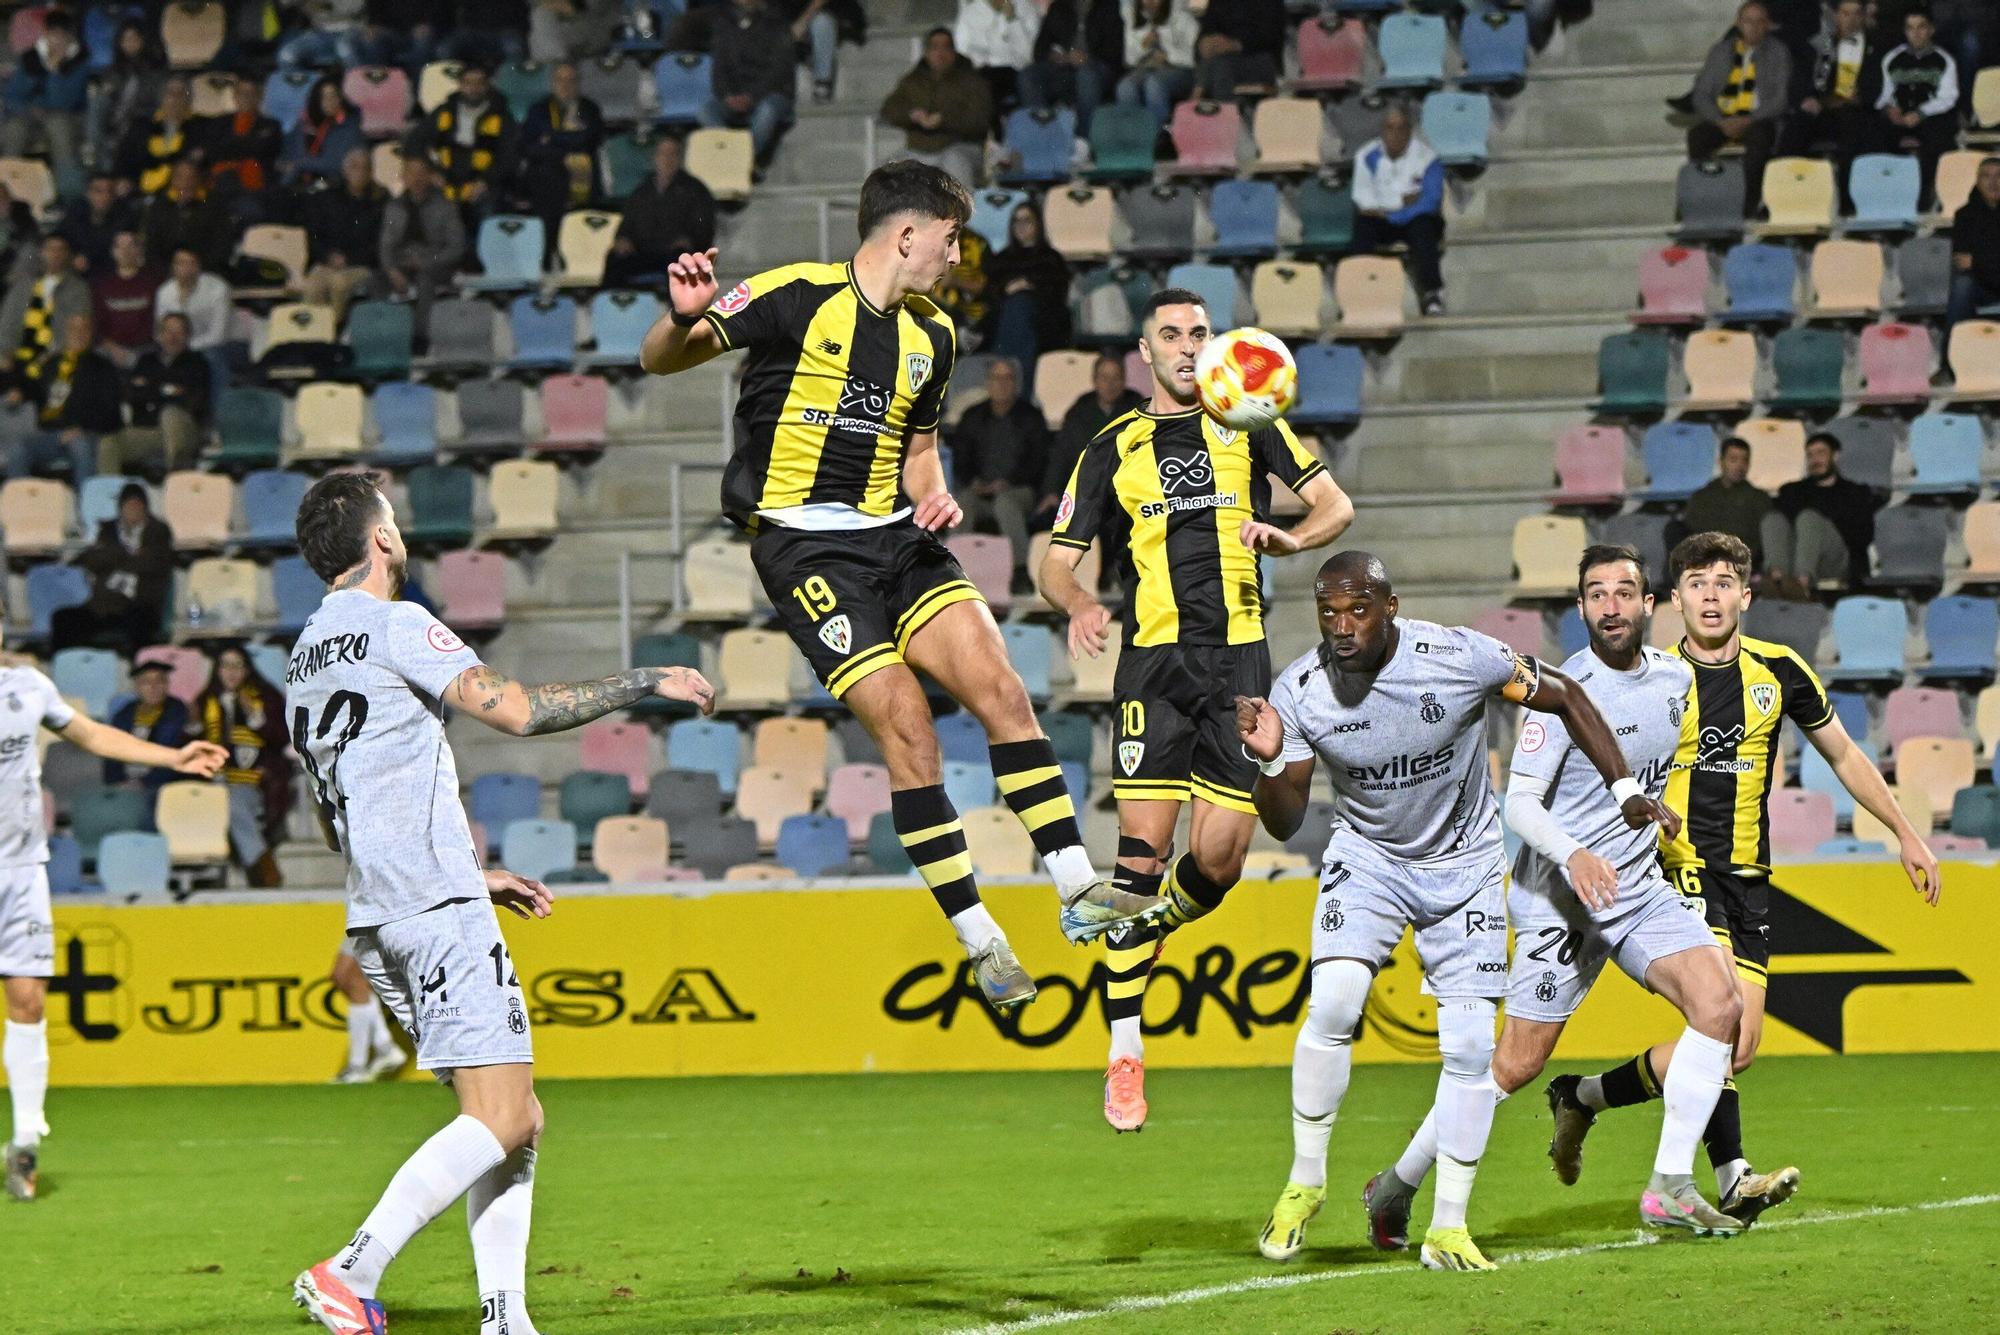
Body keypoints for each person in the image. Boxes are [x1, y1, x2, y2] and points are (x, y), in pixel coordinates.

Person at [640, 160, 1164, 1012]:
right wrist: (679, 318)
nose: (958, 258)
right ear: (908, 234)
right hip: (806, 552)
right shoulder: (795, 296)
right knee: (910, 727)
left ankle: (1077, 889)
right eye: (952, 239)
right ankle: (982, 939)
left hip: (897, 536)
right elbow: (663, 358)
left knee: (1002, 687)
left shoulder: (936, 337)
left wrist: (936, 490)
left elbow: (920, 451)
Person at [286, 470, 716, 1334]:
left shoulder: (302, 656)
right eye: (396, 521)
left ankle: (505, 1315)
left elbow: (338, 813)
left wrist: (465, 869)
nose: (401, 533)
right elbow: (516, 710)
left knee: (512, 1118)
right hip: (433, 908)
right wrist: (645, 681)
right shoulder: (395, 622)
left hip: (381, 908)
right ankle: (350, 1268)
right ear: (380, 541)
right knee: (507, 1113)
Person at [1235, 550, 1668, 1271]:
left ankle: (1448, 1226)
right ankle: (1304, 1183)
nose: (1343, 626)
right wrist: (1273, 762)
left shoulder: (1459, 655)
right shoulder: (1301, 690)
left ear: (1390, 606)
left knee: (1471, 1050)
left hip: (1464, 865)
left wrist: (1622, 788)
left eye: (1358, 610)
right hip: (1370, 858)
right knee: (1336, 999)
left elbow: (1564, 695)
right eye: (1329, 613)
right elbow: (1281, 822)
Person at [1552, 531, 1939, 1226]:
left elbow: (1845, 755)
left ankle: (1583, 1096)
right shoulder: (1654, 679)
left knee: (1739, 1046)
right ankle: (1726, 1177)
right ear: (1673, 601)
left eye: (1723, 583)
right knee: (1718, 1019)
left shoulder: (1781, 670)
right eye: (1696, 584)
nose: (1710, 595)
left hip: (1751, 877)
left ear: (1746, 596)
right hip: (1679, 868)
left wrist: (1905, 831)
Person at [1365, 545, 1746, 1247]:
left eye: (1624, 593)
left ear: (1648, 604)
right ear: (1580, 609)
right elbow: (1522, 805)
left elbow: (1655, 770)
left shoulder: (1672, 679)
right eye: (1596, 594)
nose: (1610, 606)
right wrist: (1576, 854)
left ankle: (1670, 1185)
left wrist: (1662, 819)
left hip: (1637, 890)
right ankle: (1398, 1182)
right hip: (1560, 899)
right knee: (1514, 1065)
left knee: (1721, 1004)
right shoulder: (1558, 692)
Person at [1041, 290, 1353, 1132]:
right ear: (1146, 352)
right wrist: (1075, 601)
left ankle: (1147, 927)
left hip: (1241, 664)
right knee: (1140, 861)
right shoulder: (1112, 448)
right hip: (1153, 669)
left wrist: (1294, 539)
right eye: (1171, 335)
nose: (1187, 346)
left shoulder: (1250, 424)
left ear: (1217, 347)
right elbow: (1054, 561)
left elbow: (1337, 506)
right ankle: (1125, 1052)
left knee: (1217, 864)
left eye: (1198, 332)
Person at [1, 636, 225, 1201]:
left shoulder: (28, 687)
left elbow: (91, 733)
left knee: (27, 999)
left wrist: (172, 756)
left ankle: (25, 1140)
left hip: (21, 870)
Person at [189, 645, 294, 888]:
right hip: (210, 781)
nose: (232, 672)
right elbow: (189, 747)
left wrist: (256, 718)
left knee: (232, 803)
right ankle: (262, 871)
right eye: (226, 665)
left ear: (247, 670)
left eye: (238, 665)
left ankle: (265, 873)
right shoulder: (204, 701)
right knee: (219, 801)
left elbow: (282, 740)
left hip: (258, 782)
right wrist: (193, 727)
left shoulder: (267, 697)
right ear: (217, 670)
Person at [950, 358, 1047, 586]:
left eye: (1008, 378)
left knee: (1005, 503)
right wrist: (973, 482)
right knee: (962, 503)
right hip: (979, 491)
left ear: (1016, 383)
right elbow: (961, 459)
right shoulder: (972, 416)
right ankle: (952, 570)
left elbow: (1038, 462)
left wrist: (1008, 482)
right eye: (996, 378)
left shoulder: (1031, 417)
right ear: (988, 383)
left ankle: (1021, 571)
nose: (1002, 384)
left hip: (1019, 491)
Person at [1688, 2, 1790, 218]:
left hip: (1758, 118)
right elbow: (1701, 94)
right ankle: (1704, 199)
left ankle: (1748, 203)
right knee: (1697, 136)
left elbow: (1780, 99)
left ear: (1768, 25)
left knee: (1760, 139)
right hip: (1723, 118)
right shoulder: (1720, 51)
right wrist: (1720, 120)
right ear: (1738, 23)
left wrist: (1749, 120)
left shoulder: (1779, 52)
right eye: (1747, 21)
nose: (1753, 27)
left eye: (1759, 21)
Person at [52, 482, 174, 656]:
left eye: (137, 506)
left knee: (140, 622)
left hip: (139, 604)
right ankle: (70, 669)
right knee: (63, 619)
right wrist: (129, 555)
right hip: (103, 605)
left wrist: (114, 556)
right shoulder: (108, 530)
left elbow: (153, 564)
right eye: (128, 506)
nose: (133, 510)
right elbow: (90, 560)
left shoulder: (159, 532)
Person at [1351, 105, 1447, 316]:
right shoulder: (1366, 155)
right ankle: (1359, 293)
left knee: (1423, 224)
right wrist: (1402, 199)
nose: (1394, 134)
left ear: (1410, 131)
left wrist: (1393, 211)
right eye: (1389, 128)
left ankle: (1432, 293)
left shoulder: (1427, 158)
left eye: (1400, 128)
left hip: (1413, 219)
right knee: (1362, 225)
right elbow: (1363, 198)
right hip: (1382, 220)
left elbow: (1430, 201)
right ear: (1382, 131)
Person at [1764, 431, 1882, 596]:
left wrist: (1824, 523)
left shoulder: (1855, 492)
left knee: (1809, 518)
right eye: (1810, 455)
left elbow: (1863, 537)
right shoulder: (1793, 491)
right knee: (1773, 519)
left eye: (1821, 453)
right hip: (1797, 558)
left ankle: (1801, 584)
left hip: (1837, 560)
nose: (1815, 460)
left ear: (1835, 456)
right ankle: (1777, 580)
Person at [5, 311, 116, 481]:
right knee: (17, 448)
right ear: (65, 332)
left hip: (86, 434)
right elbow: (30, 387)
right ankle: (21, 505)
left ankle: (84, 505)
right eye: (73, 329)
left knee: (80, 446)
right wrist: (19, 392)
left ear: (91, 333)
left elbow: (110, 412)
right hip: (51, 435)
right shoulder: (50, 363)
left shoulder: (103, 367)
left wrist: (81, 428)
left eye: (84, 329)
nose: (78, 334)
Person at [1038, 350, 1141, 533]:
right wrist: (1051, 491)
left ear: (1124, 381)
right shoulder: (1079, 412)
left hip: (1126, 490)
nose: (1110, 384)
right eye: (1104, 377)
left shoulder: (1138, 409)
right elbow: (1061, 454)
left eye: (1116, 378)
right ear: (1094, 380)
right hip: (1086, 489)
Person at [880, 27, 993, 191]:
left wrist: (944, 120)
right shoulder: (912, 80)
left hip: (960, 147)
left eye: (946, 47)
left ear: (954, 52)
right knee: (888, 169)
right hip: (919, 148)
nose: (940, 53)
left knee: (954, 161)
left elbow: (980, 119)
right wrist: (912, 116)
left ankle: (962, 214)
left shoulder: (972, 80)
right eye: (934, 47)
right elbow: (889, 109)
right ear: (926, 53)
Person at [100, 312, 210, 477]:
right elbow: (131, 394)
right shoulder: (146, 361)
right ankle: (111, 496)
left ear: (187, 336)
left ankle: (175, 483)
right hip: (149, 431)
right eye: (168, 331)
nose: (172, 337)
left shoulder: (197, 363)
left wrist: (152, 389)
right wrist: (167, 390)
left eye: (179, 332)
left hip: (185, 429)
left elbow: (193, 401)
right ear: (160, 335)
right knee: (109, 442)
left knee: (170, 415)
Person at [1782, 0, 1881, 177]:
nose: (1851, 20)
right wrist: (1810, 100)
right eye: (1845, 13)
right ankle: (1786, 189)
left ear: (1864, 16)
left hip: (1858, 112)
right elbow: (1803, 83)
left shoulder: (1876, 46)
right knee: (1796, 126)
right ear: (1836, 15)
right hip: (1824, 109)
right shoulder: (1819, 46)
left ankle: (1846, 195)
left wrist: (1858, 98)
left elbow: (1875, 87)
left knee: (1854, 122)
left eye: (1857, 13)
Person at [1876, 8, 1960, 212]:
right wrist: (1889, 108)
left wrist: (1921, 113)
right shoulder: (1892, 58)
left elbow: (1948, 97)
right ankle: (1882, 202)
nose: (1916, 33)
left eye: (1921, 27)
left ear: (1931, 29)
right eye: (1910, 28)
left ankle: (1922, 203)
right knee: (1874, 136)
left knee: (1937, 141)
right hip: (1898, 116)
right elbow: (1884, 93)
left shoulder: (1944, 60)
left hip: (1930, 117)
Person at [0, 11, 89, 201]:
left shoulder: (80, 61)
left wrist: (55, 70)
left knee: (59, 130)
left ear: (69, 36)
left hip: (66, 115)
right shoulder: (30, 57)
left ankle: (68, 195)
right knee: (14, 130)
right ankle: (7, 190)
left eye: (61, 35)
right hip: (30, 113)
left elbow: (65, 102)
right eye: (52, 34)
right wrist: (29, 108)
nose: (56, 40)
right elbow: (13, 95)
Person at [607, 136, 716, 286]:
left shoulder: (695, 190)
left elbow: (703, 226)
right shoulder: (641, 191)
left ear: (680, 158)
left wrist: (689, 240)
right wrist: (623, 239)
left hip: (675, 253)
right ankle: (611, 307)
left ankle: (677, 308)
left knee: (680, 260)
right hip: (644, 252)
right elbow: (626, 225)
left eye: (673, 154)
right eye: (663, 154)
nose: (667, 159)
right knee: (614, 259)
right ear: (654, 158)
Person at [380, 154, 468, 336]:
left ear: (429, 176)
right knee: (374, 281)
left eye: (421, 173)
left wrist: (428, 262)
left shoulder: (446, 207)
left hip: (435, 264)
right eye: (411, 173)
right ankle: (384, 336)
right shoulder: (393, 208)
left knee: (425, 280)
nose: (416, 178)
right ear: (403, 177)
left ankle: (421, 336)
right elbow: (386, 245)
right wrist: (392, 270)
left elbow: (456, 248)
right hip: (402, 263)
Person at [982, 202, 1072, 379]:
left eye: (1027, 221)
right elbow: (989, 293)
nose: (1021, 226)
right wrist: (1008, 290)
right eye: (1016, 221)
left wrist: (1028, 286)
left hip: (1042, 322)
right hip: (1006, 320)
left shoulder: (1051, 258)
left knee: (1021, 305)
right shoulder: (1001, 259)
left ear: (1038, 224)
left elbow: (1057, 293)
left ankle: (1007, 375)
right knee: (1015, 308)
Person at [518, 62, 606, 237]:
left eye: (571, 80)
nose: (565, 85)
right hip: (546, 176)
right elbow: (529, 146)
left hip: (582, 173)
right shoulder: (539, 109)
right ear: (552, 82)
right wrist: (568, 141)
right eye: (561, 80)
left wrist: (552, 138)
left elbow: (590, 140)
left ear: (579, 83)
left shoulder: (589, 109)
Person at [301, 149, 389, 322]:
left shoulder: (380, 202)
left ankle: (333, 330)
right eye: (354, 167)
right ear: (345, 170)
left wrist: (348, 259)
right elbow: (314, 235)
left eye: (365, 168)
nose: (359, 172)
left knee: (339, 284)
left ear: (371, 172)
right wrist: (327, 256)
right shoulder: (327, 198)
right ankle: (314, 336)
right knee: (312, 286)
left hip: (361, 265)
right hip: (327, 261)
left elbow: (380, 244)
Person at [1019, 0, 1124, 143]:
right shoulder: (1059, 7)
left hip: (1099, 68)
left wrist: (1087, 59)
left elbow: (1115, 52)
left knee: (1086, 75)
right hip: (1064, 68)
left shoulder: (1109, 6)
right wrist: (1060, 56)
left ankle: (1084, 142)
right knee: (1028, 75)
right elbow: (1039, 50)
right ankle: (1045, 137)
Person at [425, 65, 518, 215]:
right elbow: (417, 141)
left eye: (479, 83)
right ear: (460, 85)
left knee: (490, 205)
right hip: (446, 175)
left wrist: (485, 181)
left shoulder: (502, 115)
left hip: (483, 179)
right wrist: (431, 172)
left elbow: (509, 156)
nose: (473, 88)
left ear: (487, 86)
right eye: (468, 83)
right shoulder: (444, 110)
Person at [2, 235, 90, 382]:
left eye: (60, 250)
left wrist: (50, 358)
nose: (55, 254)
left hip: (55, 359)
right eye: (50, 249)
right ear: (42, 252)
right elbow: (8, 321)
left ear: (67, 254)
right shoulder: (23, 286)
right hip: (17, 358)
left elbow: (78, 329)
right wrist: (4, 352)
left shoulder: (78, 289)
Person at [87, 20, 168, 177]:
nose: (129, 44)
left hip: (141, 120)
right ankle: (98, 161)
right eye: (125, 40)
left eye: (134, 39)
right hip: (115, 119)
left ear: (144, 40)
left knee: (134, 131)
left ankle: (113, 173)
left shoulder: (156, 70)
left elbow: (155, 100)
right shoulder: (114, 70)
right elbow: (109, 96)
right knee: (96, 103)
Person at [1679, 435, 1772, 571]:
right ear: (1721, 462)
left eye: (1744, 461)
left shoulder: (1759, 498)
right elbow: (1692, 532)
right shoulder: (1702, 497)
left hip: (1742, 562)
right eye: (1733, 460)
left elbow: (1761, 541)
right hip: (1705, 561)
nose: (1740, 466)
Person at [105, 659, 192, 792]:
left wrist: (143, 784)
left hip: (161, 784)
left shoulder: (176, 711)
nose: (153, 686)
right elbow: (111, 751)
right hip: (124, 782)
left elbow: (171, 755)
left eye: (160, 681)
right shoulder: (125, 713)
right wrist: (116, 783)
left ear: (167, 684)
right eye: (146, 682)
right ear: (137, 686)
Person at [199, 76, 285, 202]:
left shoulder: (271, 125)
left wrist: (232, 145)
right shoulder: (219, 122)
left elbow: (264, 150)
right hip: (222, 179)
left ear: (259, 97)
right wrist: (251, 142)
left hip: (258, 183)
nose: (246, 97)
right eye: (242, 93)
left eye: (251, 93)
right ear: (235, 96)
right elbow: (213, 151)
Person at [1116, 0, 1198, 129]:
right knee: (1125, 87)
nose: (1150, 2)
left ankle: (1158, 135)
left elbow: (1195, 57)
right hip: (1147, 69)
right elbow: (1129, 60)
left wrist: (1168, 56)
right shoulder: (1134, 17)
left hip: (1180, 71)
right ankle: (1134, 135)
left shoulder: (1182, 17)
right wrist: (1143, 46)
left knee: (1154, 83)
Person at [330, 945, 405, 1083]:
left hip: (374, 924)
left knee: (354, 980)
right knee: (341, 976)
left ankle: (357, 1066)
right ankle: (385, 1048)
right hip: (356, 924)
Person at [142, 159, 233, 273]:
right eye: (180, 177)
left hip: (205, 273)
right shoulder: (160, 207)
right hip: (166, 274)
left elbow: (221, 245)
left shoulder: (214, 205)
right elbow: (152, 247)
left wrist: (195, 269)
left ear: (198, 180)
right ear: (172, 181)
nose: (185, 183)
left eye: (191, 178)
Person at [279, 76, 365, 190]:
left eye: (333, 96)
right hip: (297, 185)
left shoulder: (351, 128)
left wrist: (300, 164)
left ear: (341, 98)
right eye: (324, 97)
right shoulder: (303, 126)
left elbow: (337, 164)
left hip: (333, 187)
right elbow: (286, 156)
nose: (329, 101)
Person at [89, 230, 160, 369]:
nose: (125, 251)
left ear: (139, 250)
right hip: (110, 349)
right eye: (120, 246)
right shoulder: (101, 285)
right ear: (113, 251)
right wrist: (112, 348)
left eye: (130, 246)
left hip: (146, 349)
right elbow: (96, 324)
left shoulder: (153, 282)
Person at [955, 0, 1039, 117]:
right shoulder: (971, 12)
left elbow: (1029, 55)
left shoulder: (1025, 7)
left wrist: (1012, 19)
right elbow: (962, 52)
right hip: (983, 71)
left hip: (1017, 71)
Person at [117, 77, 196, 198]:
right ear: (162, 97)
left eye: (180, 94)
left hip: (178, 193)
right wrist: (124, 180)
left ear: (188, 99)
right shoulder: (142, 126)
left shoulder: (197, 127)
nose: (174, 99)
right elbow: (125, 158)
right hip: (139, 190)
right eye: (170, 93)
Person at [1193, 0, 1284, 100]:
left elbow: (1271, 35)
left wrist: (1235, 44)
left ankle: (1223, 111)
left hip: (1259, 58)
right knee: (1213, 64)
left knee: (1220, 66)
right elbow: (1206, 30)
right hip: (1219, 61)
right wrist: (1203, 44)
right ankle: (1201, 105)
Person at [1948, 157, 2000, 331]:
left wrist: (1978, 261)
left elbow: (1971, 262)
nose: (1993, 182)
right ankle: (1951, 354)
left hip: (1984, 274)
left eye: (1999, 176)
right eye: (1986, 176)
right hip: (1982, 287)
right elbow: (1962, 262)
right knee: (1963, 285)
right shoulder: (1964, 216)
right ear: (1977, 182)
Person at [153, 248, 233, 353]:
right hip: (179, 346)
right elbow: (160, 330)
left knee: (209, 355)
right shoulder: (164, 292)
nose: (187, 268)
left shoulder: (218, 288)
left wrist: (184, 347)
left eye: (191, 263)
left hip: (225, 344)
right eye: (181, 263)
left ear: (198, 266)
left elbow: (218, 335)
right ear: (173, 267)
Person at [58, 176, 138, 280]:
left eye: (110, 191)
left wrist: (87, 256)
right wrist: (73, 257)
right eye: (98, 191)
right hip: (79, 275)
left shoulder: (125, 216)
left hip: (112, 275)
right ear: (88, 194)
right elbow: (62, 237)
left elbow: (110, 244)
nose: (105, 196)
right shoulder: (75, 212)